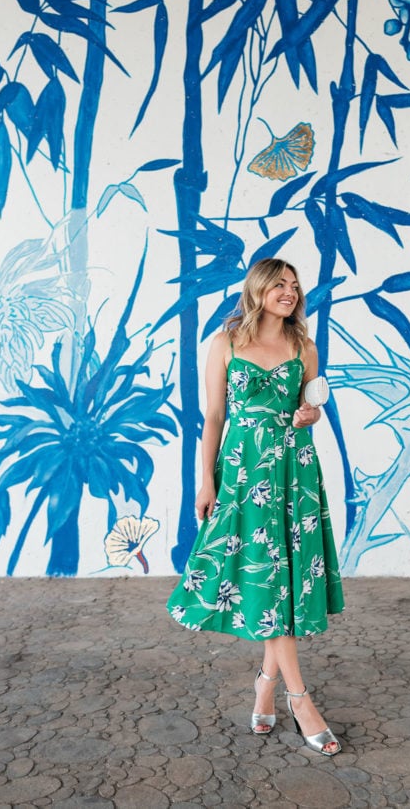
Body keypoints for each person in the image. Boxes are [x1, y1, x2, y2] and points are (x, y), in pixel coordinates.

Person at [167, 257, 344, 755]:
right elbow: (214, 416)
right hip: (244, 474)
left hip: (293, 473)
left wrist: (310, 414)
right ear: (259, 289)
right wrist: (205, 482)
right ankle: (299, 697)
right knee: (267, 573)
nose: (289, 291)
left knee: (281, 577)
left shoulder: (303, 347)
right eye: (280, 284)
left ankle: (267, 684)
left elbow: (309, 407)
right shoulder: (225, 342)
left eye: (295, 285)